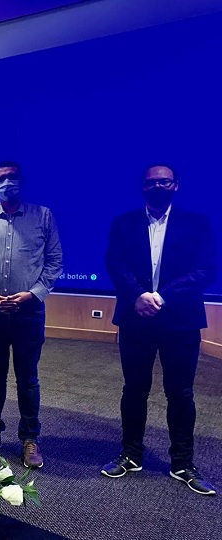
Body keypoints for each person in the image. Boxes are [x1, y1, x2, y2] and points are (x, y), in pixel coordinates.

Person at [102, 164, 216, 496]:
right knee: (134, 389)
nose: (158, 186)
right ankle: (130, 454)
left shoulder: (197, 223)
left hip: (180, 322)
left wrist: (161, 297)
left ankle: (183, 463)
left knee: (180, 393)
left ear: (176, 185)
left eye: (164, 182)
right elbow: (115, 263)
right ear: (143, 186)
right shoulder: (123, 223)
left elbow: (205, 271)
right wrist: (139, 295)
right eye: (152, 182)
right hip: (135, 318)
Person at [0, 161, 62, 469]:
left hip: (28, 311)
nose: (7, 182)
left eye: (12, 177)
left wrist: (33, 294)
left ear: (21, 180)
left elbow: (55, 261)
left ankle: (30, 438)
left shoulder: (42, 216)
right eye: (0, 178)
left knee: (27, 377)